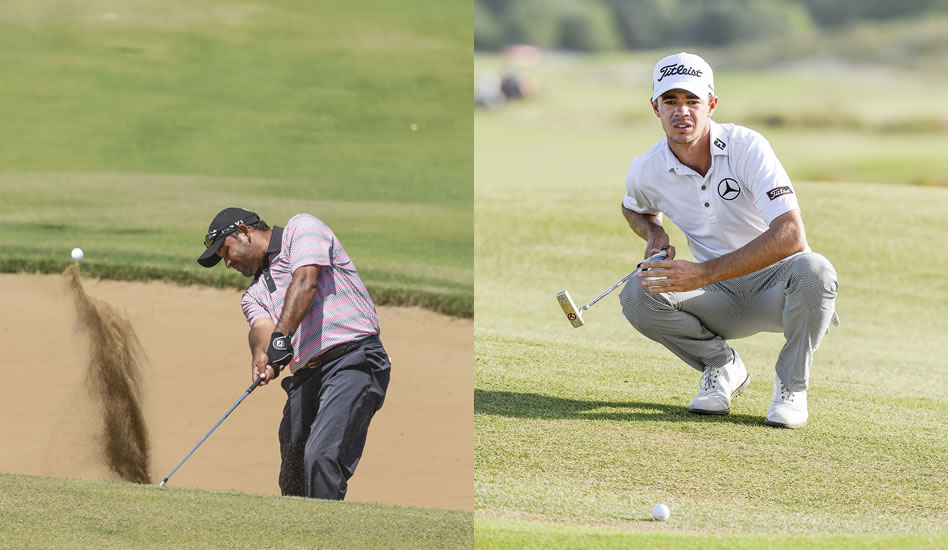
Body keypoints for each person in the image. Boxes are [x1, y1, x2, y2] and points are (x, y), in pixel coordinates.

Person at [618, 52, 839, 429]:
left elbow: (790, 234)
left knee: (815, 268)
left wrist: (702, 272)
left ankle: (791, 387)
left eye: (692, 101)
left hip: (779, 291)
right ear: (655, 107)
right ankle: (721, 366)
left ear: (712, 104)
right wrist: (655, 232)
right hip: (719, 297)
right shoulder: (645, 169)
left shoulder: (747, 146)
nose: (681, 112)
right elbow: (633, 208)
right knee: (637, 291)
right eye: (670, 101)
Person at [197, 207, 390, 497]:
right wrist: (262, 354)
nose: (227, 263)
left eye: (226, 252)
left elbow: (306, 282)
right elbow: (261, 329)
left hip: (353, 359)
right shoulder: (253, 295)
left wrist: (281, 336)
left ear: (245, 232)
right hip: (306, 378)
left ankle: (325, 537)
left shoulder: (302, 229)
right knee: (293, 473)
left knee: (322, 455)